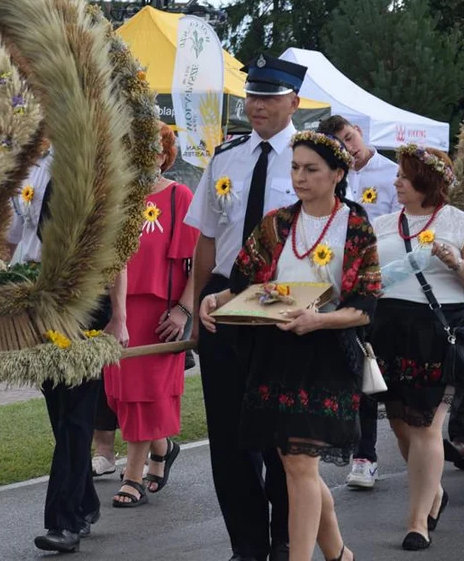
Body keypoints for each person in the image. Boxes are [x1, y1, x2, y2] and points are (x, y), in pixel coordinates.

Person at [200, 131, 380, 561]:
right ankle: (337, 553)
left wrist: (319, 319)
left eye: (311, 169)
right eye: (295, 167)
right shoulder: (278, 223)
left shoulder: (354, 227)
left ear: (338, 174)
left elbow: (367, 306)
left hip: (327, 355)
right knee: (295, 464)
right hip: (274, 355)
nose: (299, 176)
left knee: (300, 465)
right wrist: (214, 299)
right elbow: (246, 281)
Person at [185, 53, 306, 561]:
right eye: (253, 96)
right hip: (224, 297)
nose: (257, 106)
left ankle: (285, 539)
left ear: (293, 102)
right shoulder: (226, 157)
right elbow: (207, 241)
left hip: (284, 297)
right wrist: (194, 309)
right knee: (230, 435)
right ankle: (248, 543)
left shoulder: (309, 157)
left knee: (281, 433)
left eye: (269, 97)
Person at [368, 144, 464, 550]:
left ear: (426, 181)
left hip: (439, 328)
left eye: (404, 175)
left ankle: (417, 521)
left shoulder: (460, 222)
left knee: (426, 423)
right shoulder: (380, 224)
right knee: (399, 421)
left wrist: (455, 263)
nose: (396, 181)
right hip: (389, 328)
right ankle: (434, 493)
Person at [8, 147, 110, 554]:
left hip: (84, 300)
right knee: (59, 410)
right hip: (39, 297)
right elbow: (17, 235)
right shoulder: (31, 167)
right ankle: (85, 501)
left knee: (76, 415)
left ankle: (63, 522)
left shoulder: (93, 161)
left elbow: (115, 252)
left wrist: (117, 320)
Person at [105, 123, 198, 508]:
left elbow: (200, 263)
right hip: (121, 311)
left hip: (164, 315)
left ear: (164, 155)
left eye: (150, 150)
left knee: (146, 395)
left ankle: (133, 476)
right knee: (120, 395)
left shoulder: (180, 196)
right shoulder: (118, 198)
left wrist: (183, 310)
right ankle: (162, 448)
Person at [317, 115, 401, 490]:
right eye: (341, 143)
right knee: (354, 368)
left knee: (379, 370)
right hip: (343, 282)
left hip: (387, 282)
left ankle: (386, 449)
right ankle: (361, 451)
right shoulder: (333, 180)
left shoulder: (392, 173)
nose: (349, 147)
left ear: (360, 133)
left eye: (350, 137)